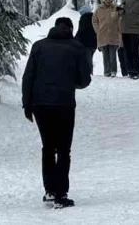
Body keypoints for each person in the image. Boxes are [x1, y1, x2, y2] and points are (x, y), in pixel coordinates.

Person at [22, 17, 93, 209]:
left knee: (48, 147)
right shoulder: (77, 47)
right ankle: (61, 193)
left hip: (40, 104)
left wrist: (26, 104)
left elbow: (28, 76)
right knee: (63, 149)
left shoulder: (38, 46)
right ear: (70, 29)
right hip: (64, 103)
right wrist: (71, 82)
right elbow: (85, 80)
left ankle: (50, 190)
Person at [91, 0, 121, 77]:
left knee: (113, 54)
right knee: (105, 55)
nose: (108, 1)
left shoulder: (115, 8)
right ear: (103, 0)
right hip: (102, 35)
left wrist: (119, 30)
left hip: (113, 34)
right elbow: (94, 21)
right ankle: (106, 71)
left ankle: (113, 71)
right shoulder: (98, 10)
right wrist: (98, 30)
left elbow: (120, 19)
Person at [76, 3, 98, 68]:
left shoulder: (83, 18)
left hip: (85, 43)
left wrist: (75, 38)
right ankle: (90, 71)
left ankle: (89, 72)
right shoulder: (94, 18)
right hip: (94, 43)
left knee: (87, 60)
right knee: (90, 58)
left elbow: (81, 30)